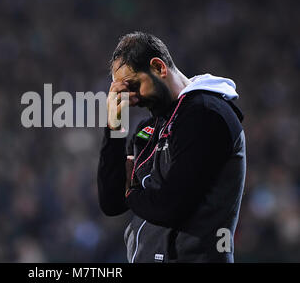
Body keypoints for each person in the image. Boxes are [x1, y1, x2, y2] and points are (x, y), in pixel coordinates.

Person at [97, 32, 246, 262]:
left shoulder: (207, 114)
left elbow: (172, 206)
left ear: (159, 67)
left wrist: (132, 192)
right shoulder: (150, 128)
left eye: (134, 86)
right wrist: (114, 127)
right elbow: (111, 202)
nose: (132, 99)